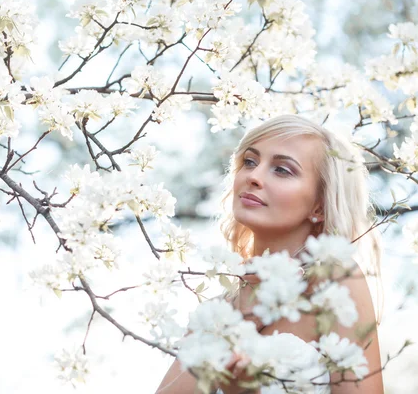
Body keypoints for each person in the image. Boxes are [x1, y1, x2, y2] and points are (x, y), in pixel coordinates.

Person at [156, 115, 384, 393]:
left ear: (319, 207)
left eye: (282, 170)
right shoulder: (214, 313)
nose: (253, 176)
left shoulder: (335, 283)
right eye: (250, 162)